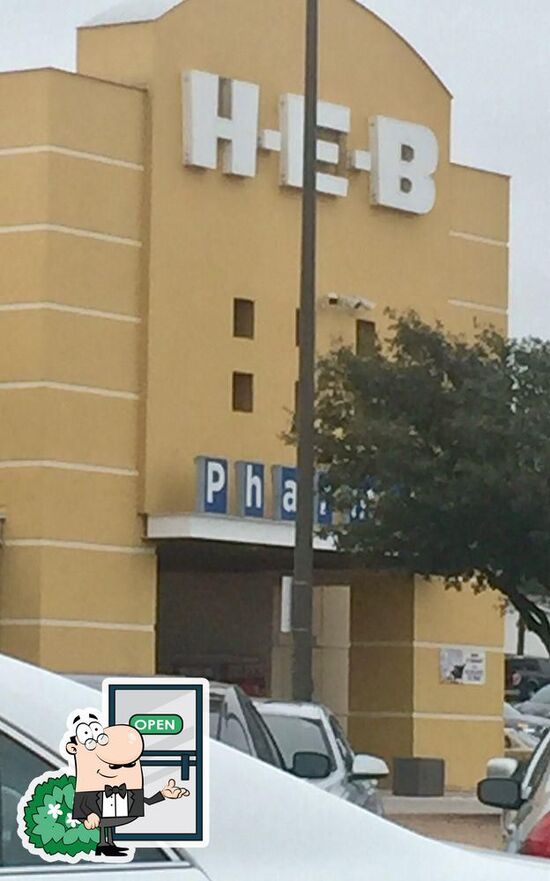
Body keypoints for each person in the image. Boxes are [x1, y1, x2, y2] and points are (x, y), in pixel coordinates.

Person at [66, 712, 189, 859]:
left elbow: (147, 801)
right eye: (113, 766)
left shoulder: (129, 792)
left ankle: (108, 845)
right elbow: (82, 805)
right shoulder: (88, 790)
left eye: (130, 765)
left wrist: (163, 795)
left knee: (108, 825)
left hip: (116, 816)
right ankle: (103, 845)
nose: (120, 770)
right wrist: (88, 815)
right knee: (105, 825)